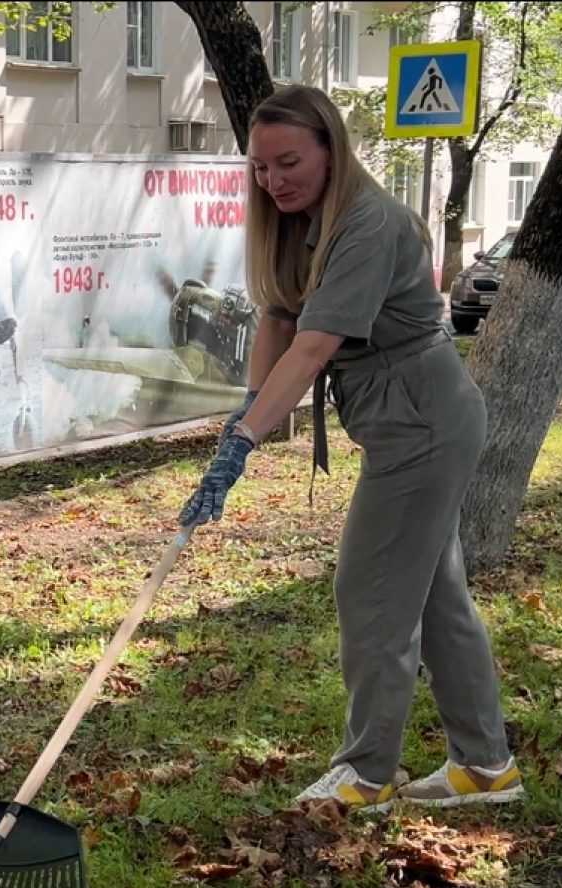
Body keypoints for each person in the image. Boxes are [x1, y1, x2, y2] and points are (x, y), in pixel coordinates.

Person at [177, 84, 522, 813]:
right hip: (408, 418)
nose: (274, 181)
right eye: (260, 167)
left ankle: (365, 775)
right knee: (434, 596)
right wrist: (246, 407)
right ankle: (485, 767)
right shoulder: (296, 223)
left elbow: (312, 348)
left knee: (370, 590)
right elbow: (279, 316)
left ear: (331, 151)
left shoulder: (369, 222)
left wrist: (243, 441)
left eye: (290, 162)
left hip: (423, 420)